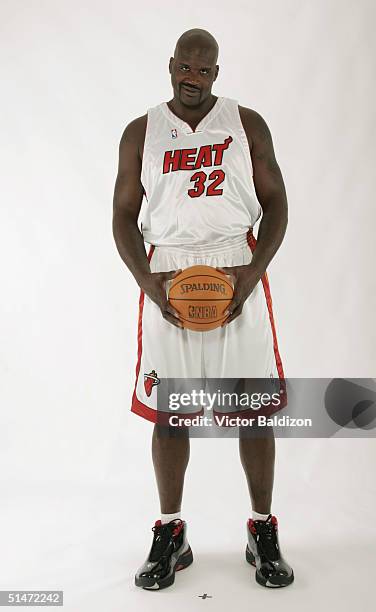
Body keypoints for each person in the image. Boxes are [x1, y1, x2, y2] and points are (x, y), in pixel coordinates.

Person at [112, 28, 294, 590]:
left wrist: (250, 275)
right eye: (184, 68)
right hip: (168, 269)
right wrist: (150, 282)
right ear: (171, 66)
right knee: (172, 414)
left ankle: (262, 529)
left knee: (253, 410)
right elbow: (121, 214)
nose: (193, 79)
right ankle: (171, 532)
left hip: (235, 265)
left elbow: (277, 204)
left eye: (204, 70)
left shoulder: (247, 124)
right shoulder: (141, 131)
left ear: (216, 72)